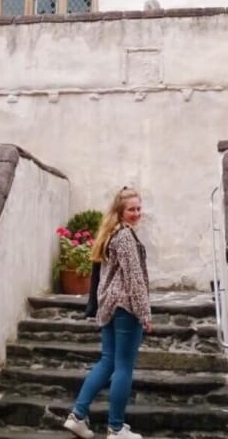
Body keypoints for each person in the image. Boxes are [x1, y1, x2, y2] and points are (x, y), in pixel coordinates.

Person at [63, 187, 151, 439]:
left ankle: (77, 416)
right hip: (125, 308)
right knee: (123, 367)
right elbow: (134, 279)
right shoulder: (124, 237)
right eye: (131, 209)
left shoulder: (111, 233)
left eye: (138, 208)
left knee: (107, 361)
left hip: (110, 306)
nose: (136, 213)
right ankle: (115, 428)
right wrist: (145, 314)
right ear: (120, 211)